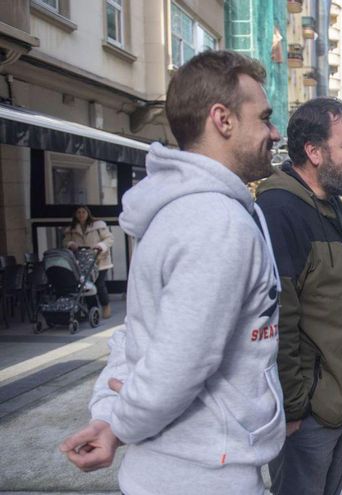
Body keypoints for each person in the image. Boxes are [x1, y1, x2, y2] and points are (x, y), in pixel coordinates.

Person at [58, 50, 285, 495]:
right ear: (223, 120)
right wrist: (116, 424)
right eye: (265, 118)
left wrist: (110, 416)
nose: (274, 132)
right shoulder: (214, 221)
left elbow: (136, 335)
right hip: (203, 474)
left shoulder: (189, 211)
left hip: (189, 463)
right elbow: (180, 362)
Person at [257, 97, 342, 495]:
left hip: (335, 402)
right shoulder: (280, 209)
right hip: (307, 414)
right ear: (313, 151)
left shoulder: (331, 204)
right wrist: (294, 408)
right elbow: (277, 320)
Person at [64, 205, 114, 319]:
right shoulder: (72, 229)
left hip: (100, 259)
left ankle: (105, 306)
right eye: (79, 212)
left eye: (83, 212)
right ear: (75, 215)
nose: (81, 215)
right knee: (86, 285)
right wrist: (71, 244)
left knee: (99, 284)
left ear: (88, 213)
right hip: (82, 261)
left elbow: (109, 238)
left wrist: (101, 245)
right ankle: (93, 309)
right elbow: (66, 241)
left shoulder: (98, 226)